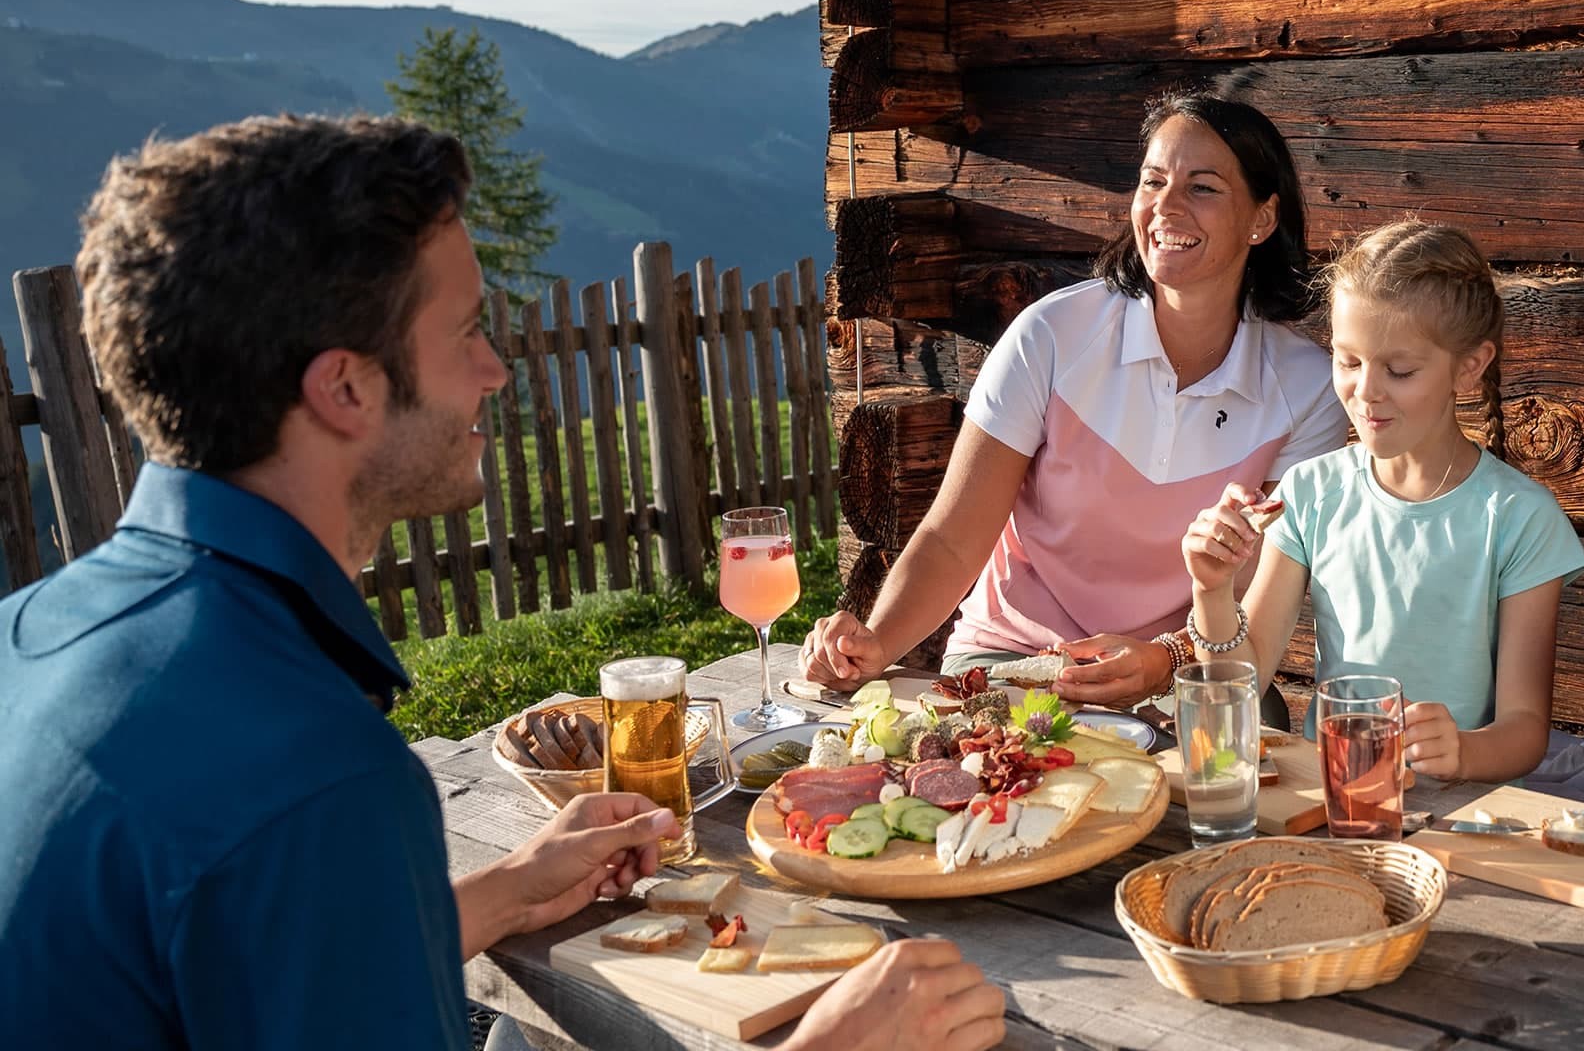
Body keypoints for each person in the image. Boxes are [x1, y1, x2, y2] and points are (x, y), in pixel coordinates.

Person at [0, 114, 1004, 1051]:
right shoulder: (307, 773)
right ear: (344, 388)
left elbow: (231, 958)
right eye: (467, 332)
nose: (496, 370)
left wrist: (506, 895)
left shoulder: (26, 634)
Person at [803, 94, 1344, 711]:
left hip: (1179, 672)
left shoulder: (1309, 389)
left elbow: (1251, 597)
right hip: (1013, 658)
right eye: (1153, 181)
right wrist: (873, 644)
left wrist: (1165, 662)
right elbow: (954, 537)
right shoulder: (1052, 335)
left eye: (1203, 188)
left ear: (1261, 219)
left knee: (1244, 740)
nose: (1166, 206)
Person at [1180, 221, 1584, 782]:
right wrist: (1212, 587)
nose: (1366, 391)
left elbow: (1523, 729)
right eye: (1348, 362)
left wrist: (1464, 752)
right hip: (1334, 793)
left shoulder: (1519, 519)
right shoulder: (1311, 492)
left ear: (1469, 366)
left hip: (1460, 812)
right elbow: (1239, 681)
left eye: (1399, 370)